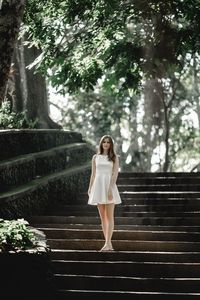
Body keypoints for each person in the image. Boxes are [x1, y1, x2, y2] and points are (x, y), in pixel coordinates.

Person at [87, 135, 122, 252]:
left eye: (108, 142)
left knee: (109, 216)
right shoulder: (95, 157)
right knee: (103, 218)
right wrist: (90, 188)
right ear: (101, 144)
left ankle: (108, 242)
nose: (106, 144)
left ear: (111, 144)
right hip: (98, 187)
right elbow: (93, 174)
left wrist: (110, 188)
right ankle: (108, 244)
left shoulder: (115, 158)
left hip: (109, 187)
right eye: (104, 142)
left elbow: (115, 174)